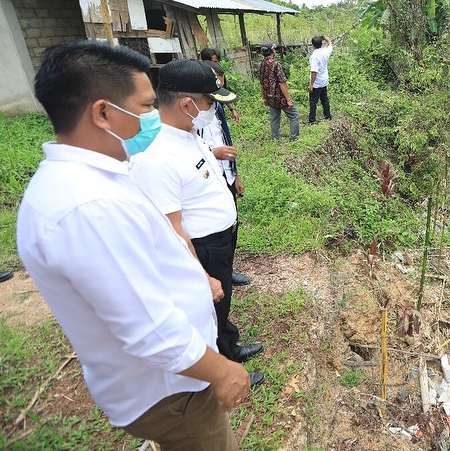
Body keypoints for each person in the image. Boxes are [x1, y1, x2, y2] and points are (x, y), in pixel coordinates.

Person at [17, 41, 249, 449]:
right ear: (103, 112)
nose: (152, 118)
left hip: (172, 381)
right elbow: (149, 329)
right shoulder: (88, 207)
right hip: (171, 391)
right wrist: (222, 371)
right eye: (144, 108)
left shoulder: (96, 181)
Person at [128, 59, 265, 375]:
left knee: (221, 302)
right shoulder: (158, 157)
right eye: (209, 103)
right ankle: (220, 368)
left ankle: (228, 346)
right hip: (200, 246)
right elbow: (171, 229)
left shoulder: (188, 132)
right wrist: (201, 276)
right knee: (207, 306)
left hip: (218, 238)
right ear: (187, 103)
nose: (211, 109)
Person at [200, 60, 251, 287]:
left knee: (232, 224)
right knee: (213, 234)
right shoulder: (192, 119)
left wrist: (235, 174)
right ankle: (211, 276)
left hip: (226, 175)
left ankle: (227, 270)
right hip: (208, 180)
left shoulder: (217, 108)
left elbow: (226, 141)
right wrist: (213, 154)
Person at [258, 45, 299, 141]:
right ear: (272, 51)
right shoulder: (276, 64)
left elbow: (261, 83)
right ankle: (294, 138)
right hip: (280, 97)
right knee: (294, 115)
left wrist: (264, 98)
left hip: (269, 97)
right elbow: (282, 83)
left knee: (274, 119)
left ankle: (275, 139)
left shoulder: (260, 64)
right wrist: (288, 99)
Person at [199, 48, 240, 124]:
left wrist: (232, 109)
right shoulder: (199, 76)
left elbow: (223, 92)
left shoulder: (219, 72)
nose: (215, 64)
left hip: (218, 109)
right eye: (213, 62)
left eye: (217, 62)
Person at [308, 35, 333, 124]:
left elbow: (314, 72)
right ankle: (327, 116)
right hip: (324, 81)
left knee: (313, 102)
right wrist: (324, 37)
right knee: (324, 100)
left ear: (313, 45)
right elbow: (330, 43)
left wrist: (311, 84)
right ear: (321, 43)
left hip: (317, 83)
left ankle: (312, 120)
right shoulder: (325, 52)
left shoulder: (314, 56)